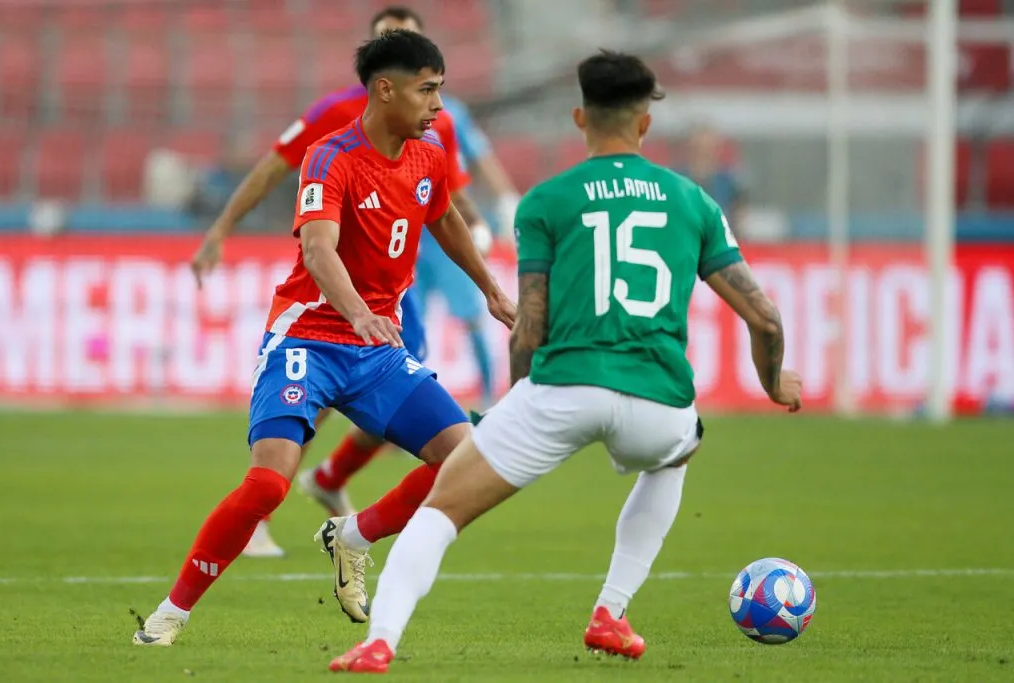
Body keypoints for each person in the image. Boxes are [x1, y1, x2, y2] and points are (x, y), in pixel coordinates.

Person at [327, 50, 803, 674]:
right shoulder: (693, 201)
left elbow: (531, 323)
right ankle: (611, 610)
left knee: (442, 508)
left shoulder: (547, 203)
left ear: (580, 118)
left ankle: (380, 640)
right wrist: (773, 382)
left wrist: (515, 402)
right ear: (645, 124)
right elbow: (764, 317)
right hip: (658, 400)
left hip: (562, 390)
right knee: (678, 452)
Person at [133, 29, 515, 647]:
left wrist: (491, 290)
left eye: (440, 91)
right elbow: (316, 247)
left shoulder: (429, 154)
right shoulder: (330, 155)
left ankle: (353, 536)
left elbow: (444, 216)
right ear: (385, 89)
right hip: (307, 340)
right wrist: (359, 311)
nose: (438, 107)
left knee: (464, 459)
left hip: (377, 351)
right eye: (427, 91)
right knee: (266, 485)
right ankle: (170, 614)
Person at [189, 5, 489, 558]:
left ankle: (331, 486)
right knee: (322, 390)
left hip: (397, 290)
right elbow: (274, 167)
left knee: (396, 395)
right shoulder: (334, 117)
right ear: (382, 80)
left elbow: (445, 196)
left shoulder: (433, 121)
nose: (433, 97)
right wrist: (221, 229)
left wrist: (486, 255)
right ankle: (273, 495)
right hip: (334, 296)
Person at [416, 92, 523, 409]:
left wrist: (505, 198)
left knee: (473, 314)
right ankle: (400, 410)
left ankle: (491, 396)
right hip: (405, 232)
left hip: (448, 228)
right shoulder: (383, 109)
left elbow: (479, 157)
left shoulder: (450, 113)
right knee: (405, 323)